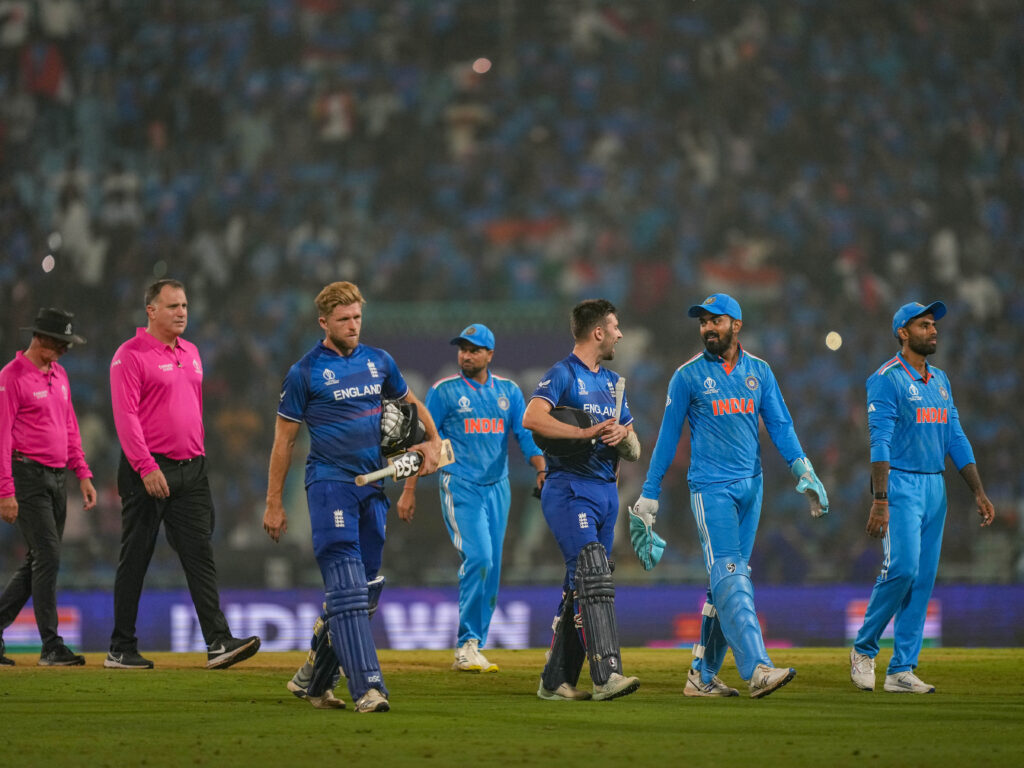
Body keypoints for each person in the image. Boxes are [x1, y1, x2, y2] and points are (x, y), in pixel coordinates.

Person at [630, 292, 829, 699]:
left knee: (724, 581)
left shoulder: (760, 372)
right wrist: (649, 493)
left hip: (752, 488)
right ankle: (757, 667)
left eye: (715, 321)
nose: (707, 328)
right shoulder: (686, 376)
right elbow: (668, 437)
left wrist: (802, 469)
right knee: (732, 572)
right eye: (702, 322)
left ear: (736, 325)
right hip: (710, 489)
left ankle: (701, 675)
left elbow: (781, 426)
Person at [263, 281, 443, 713]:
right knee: (345, 586)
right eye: (344, 319)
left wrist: (433, 441)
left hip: (373, 486)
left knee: (365, 589)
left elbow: (410, 403)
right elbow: (284, 442)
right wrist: (273, 502)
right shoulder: (304, 372)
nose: (353, 325)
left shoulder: (380, 361)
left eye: (357, 317)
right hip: (330, 484)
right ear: (324, 322)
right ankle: (368, 687)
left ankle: (314, 678)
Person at [106, 279, 260, 670]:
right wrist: (146, 467)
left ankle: (218, 642)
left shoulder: (191, 352)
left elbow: (192, 408)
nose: (181, 312)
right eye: (173, 306)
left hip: (191, 469)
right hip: (150, 470)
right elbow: (125, 418)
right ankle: (120, 647)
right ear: (151, 311)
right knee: (136, 557)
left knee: (200, 556)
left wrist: (200, 456)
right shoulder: (130, 355)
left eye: (185, 306)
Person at [850, 301, 994, 694]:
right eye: (925, 325)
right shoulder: (886, 379)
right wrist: (880, 499)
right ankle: (863, 648)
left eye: (934, 325)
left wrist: (978, 491)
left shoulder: (941, 380)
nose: (933, 330)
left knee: (923, 580)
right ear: (902, 332)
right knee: (903, 569)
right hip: (901, 484)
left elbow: (956, 438)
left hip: (935, 487)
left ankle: (901, 669)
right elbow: (878, 441)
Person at [397, 323, 546, 673]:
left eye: (474, 349)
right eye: (462, 349)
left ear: (490, 355)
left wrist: (541, 467)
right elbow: (422, 442)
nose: (466, 355)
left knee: (491, 568)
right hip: (460, 485)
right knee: (478, 558)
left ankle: (475, 643)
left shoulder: (508, 391)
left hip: (499, 487)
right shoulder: (443, 391)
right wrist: (408, 491)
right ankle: (465, 645)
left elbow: (524, 436)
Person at [522, 298, 642, 702]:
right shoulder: (562, 374)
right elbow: (532, 418)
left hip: (606, 493)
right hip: (569, 488)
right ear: (598, 332)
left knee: (586, 584)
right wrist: (584, 434)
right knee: (592, 572)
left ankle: (555, 681)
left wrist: (621, 437)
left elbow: (636, 449)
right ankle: (607, 674)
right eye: (615, 326)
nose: (620, 334)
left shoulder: (613, 382)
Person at [0, 308, 96, 666]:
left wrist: (82, 473)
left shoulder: (60, 374)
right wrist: (5, 491)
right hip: (27, 476)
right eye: (60, 343)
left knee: (39, 559)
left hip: (57, 478)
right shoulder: (11, 378)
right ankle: (51, 645)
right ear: (39, 337)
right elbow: (2, 436)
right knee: (49, 556)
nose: (65, 350)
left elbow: (69, 427)